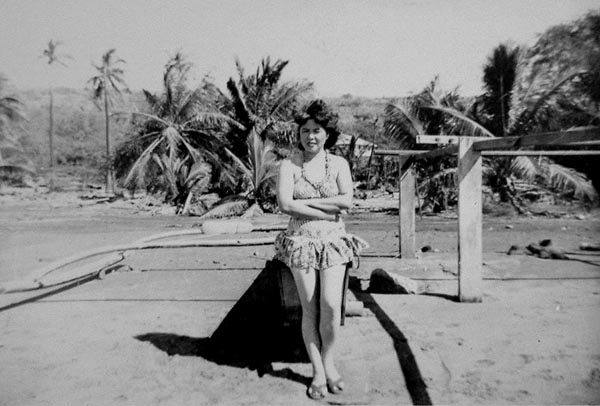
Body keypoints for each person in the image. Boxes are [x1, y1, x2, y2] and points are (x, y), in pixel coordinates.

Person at [274, 99, 368, 400]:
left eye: (316, 130)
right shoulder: (288, 165)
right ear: (298, 134)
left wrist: (308, 207)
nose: (310, 136)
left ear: (327, 133)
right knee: (310, 307)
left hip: (333, 243)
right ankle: (317, 370)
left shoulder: (338, 164)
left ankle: (329, 363)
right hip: (300, 242)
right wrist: (326, 211)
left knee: (330, 305)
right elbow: (285, 204)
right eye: (305, 130)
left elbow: (346, 202)